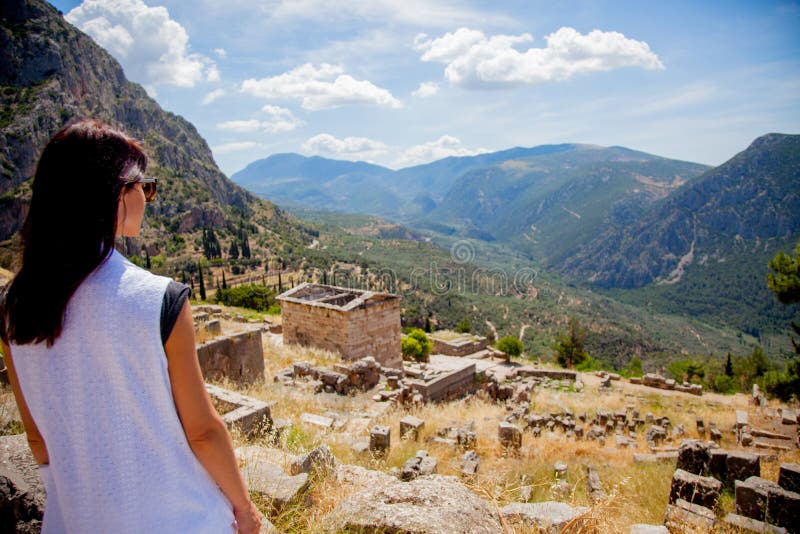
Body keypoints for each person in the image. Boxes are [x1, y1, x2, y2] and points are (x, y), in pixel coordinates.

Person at [0, 120, 262, 533]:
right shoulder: (159, 298)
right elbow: (202, 431)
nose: (148, 197)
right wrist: (245, 509)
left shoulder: (13, 309)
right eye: (146, 186)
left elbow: (39, 440)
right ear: (116, 193)